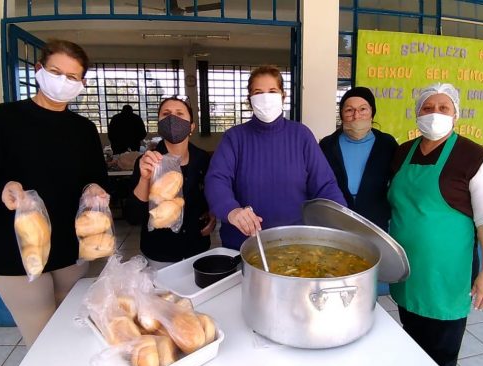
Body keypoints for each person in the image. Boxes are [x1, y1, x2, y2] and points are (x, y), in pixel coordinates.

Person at [0, 39, 109, 348]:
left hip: (72, 254)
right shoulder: (2, 119)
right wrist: (3, 192)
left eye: (72, 77)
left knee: (77, 335)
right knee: (43, 343)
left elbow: (96, 179)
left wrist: (95, 188)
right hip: (16, 257)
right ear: (39, 70)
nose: (63, 81)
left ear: (82, 83)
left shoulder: (83, 130)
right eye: (56, 71)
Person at [387, 83, 483, 366]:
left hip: (447, 278)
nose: (434, 113)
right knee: (411, 343)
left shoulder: (474, 157)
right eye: (428, 108)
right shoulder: (401, 153)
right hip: (409, 274)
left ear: (455, 115)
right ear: (417, 114)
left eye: (443, 108)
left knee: (441, 357)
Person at [205, 65, 347, 250]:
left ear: (283, 96)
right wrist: (232, 210)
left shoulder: (301, 135)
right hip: (243, 244)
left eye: (272, 91)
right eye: (258, 92)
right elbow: (216, 179)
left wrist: (341, 219)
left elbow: (325, 184)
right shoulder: (234, 137)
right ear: (249, 100)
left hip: (294, 243)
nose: (265, 97)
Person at [124, 96, 216, 269]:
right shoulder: (147, 162)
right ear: (159, 124)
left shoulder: (202, 159)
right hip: (160, 252)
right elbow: (133, 217)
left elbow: (210, 195)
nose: (172, 119)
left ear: (191, 127)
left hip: (197, 248)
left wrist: (213, 214)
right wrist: (145, 178)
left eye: (180, 114)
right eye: (166, 114)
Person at [319, 87, 398, 231]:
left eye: (363, 109)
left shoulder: (387, 144)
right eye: (349, 110)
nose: (356, 115)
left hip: (376, 223)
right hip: (338, 221)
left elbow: (397, 183)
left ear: (372, 113)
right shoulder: (327, 145)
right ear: (342, 115)